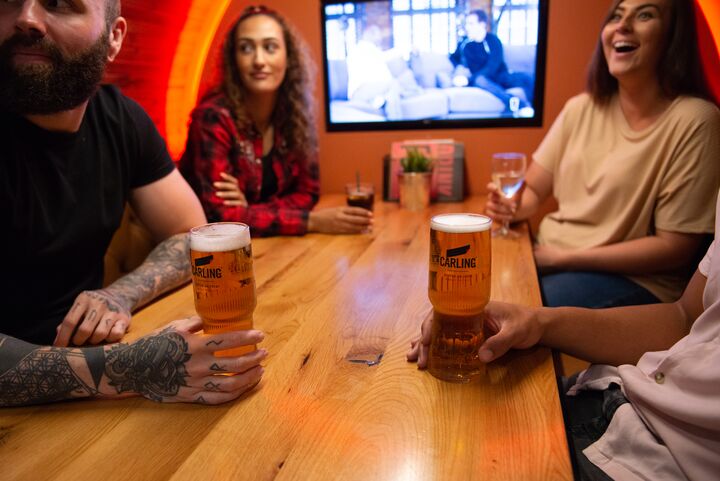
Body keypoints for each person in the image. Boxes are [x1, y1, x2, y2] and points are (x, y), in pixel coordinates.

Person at [0, 0, 264, 405]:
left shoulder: (117, 116)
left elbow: (188, 236)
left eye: (60, 4)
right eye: (8, 2)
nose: (27, 18)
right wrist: (126, 367)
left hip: (82, 399)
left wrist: (119, 294)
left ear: (114, 39)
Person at [408, 183, 720, 479]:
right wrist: (537, 322)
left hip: (655, 459)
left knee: (448, 446)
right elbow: (685, 319)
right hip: (616, 394)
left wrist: (556, 265)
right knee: (442, 423)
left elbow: (674, 253)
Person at [486, 0, 720, 308]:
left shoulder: (697, 119)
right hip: (550, 257)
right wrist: (512, 207)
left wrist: (561, 259)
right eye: (616, 16)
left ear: (673, 36)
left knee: (504, 309)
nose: (622, 25)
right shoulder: (580, 108)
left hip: (636, 282)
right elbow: (532, 190)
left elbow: (674, 249)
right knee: (478, 289)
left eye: (645, 14)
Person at [178, 6, 373, 237]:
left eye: (270, 47)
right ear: (233, 60)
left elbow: (308, 193)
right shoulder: (212, 118)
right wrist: (310, 222)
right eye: (246, 48)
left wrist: (249, 211)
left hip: (271, 247)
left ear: (288, 57)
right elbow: (220, 218)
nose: (259, 60)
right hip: (214, 258)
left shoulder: (295, 115)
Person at [449, 9, 534, 112]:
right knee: (480, 80)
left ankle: (535, 110)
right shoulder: (464, 44)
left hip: (500, 76)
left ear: (482, 24)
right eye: (467, 24)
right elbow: (453, 58)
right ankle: (516, 104)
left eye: (471, 24)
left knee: (527, 77)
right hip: (481, 79)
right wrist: (461, 71)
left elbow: (493, 64)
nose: (467, 27)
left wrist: (469, 80)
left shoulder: (493, 40)